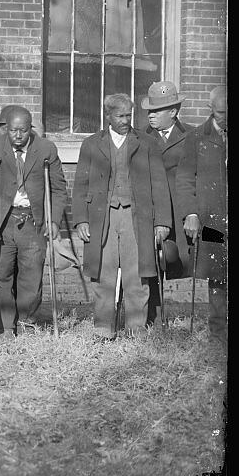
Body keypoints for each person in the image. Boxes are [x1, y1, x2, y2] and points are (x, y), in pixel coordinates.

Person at [72, 94, 171, 340]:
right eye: (120, 116)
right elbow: (80, 184)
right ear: (108, 116)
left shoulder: (146, 143)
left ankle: (136, 329)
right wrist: (81, 219)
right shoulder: (91, 144)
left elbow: (159, 184)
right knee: (103, 274)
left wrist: (161, 222)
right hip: (101, 218)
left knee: (137, 275)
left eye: (129, 115)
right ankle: (104, 328)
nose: (126, 120)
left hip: (137, 218)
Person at [0, 106, 67, 339]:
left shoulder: (46, 149)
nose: (18, 136)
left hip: (32, 220)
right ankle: (6, 325)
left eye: (23, 131)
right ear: (6, 128)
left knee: (31, 274)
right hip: (3, 221)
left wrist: (54, 220)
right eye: (13, 130)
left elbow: (58, 189)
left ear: (31, 129)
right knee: (1, 273)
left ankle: (27, 322)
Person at [176, 86, 228, 343]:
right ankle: (219, 335)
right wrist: (191, 213)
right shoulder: (197, 137)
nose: (225, 118)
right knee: (218, 274)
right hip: (212, 219)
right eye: (221, 113)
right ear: (211, 109)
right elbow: (185, 178)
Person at [142, 81, 194, 271]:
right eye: (149, 111)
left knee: (178, 262)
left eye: (157, 110)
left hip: (181, 214)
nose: (151, 115)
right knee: (150, 270)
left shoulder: (192, 136)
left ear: (173, 112)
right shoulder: (140, 137)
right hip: (151, 214)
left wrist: (192, 213)